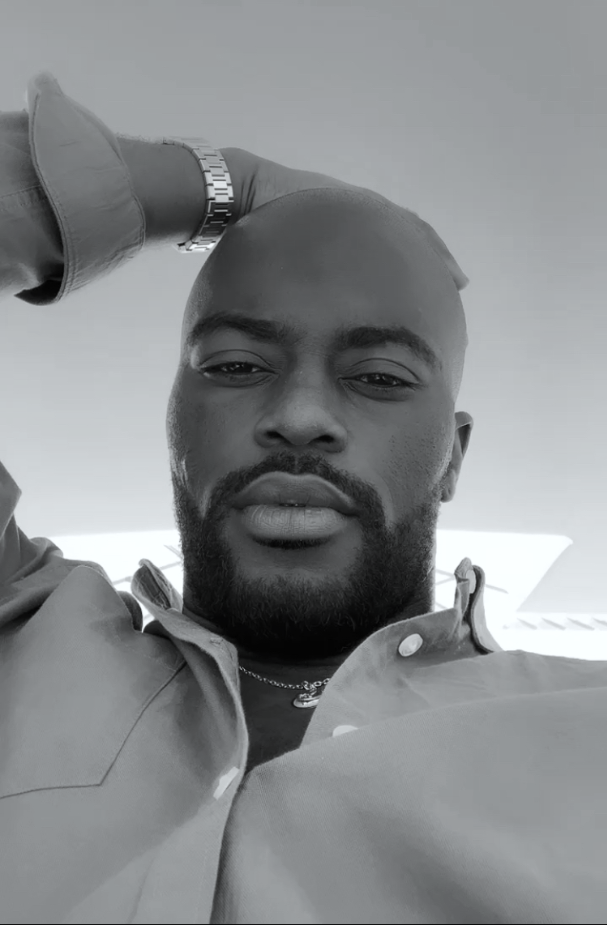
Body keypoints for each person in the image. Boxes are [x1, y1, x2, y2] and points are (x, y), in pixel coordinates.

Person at [0, 71, 605, 925]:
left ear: (453, 457)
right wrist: (209, 188)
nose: (299, 415)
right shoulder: (22, 643)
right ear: (173, 422)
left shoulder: (586, 731)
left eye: (378, 377)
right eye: (236, 366)